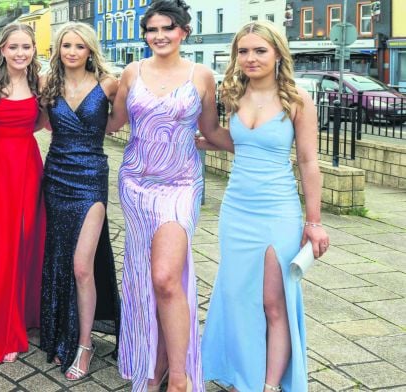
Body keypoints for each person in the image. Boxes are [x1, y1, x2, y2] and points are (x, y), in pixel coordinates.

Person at [199, 20, 329, 392]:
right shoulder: (233, 95)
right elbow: (245, 142)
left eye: (260, 50)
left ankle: (270, 386)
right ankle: (244, 377)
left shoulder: (297, 99)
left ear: (277, 54)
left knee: (274, 302)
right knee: (238, 298)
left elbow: (307, 161)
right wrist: (213, 141)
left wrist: (315, 222)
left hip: (277, 211)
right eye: (243, 51)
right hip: (236, 208)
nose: (251, 58)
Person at [105, 0, 230, 390]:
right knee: (143, 278)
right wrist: (61, 113)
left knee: (165, 277)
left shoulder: (202, 75)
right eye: (152, 29)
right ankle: (152, 362)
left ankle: (179, 376)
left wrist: (260, 144)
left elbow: (210, 131)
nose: (159, 36)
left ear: (183, 32)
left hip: (181, 184)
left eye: (167, 28)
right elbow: (112, 123)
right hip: (135, 183)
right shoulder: (131, 72)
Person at [39, 22, 121, 381]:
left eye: (80, 46)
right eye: (66, 45)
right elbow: (40, 122)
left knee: (82, 265)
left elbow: (118, 124)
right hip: (55, 174)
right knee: (58, 256)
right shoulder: (47, 84)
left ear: (90, 50)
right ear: (59, 49)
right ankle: (60, 334)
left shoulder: (109, 84)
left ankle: (85, 345)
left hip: (90, 179)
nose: (72, 51)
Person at [0, 22, 46, 364]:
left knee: (23, 240)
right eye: (13, 47)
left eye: (26, 47)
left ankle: (21, 312)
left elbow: (43, 122)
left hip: (27, 166)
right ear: (2, 48)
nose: (20, 53)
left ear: (33, 50)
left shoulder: (38, 83)